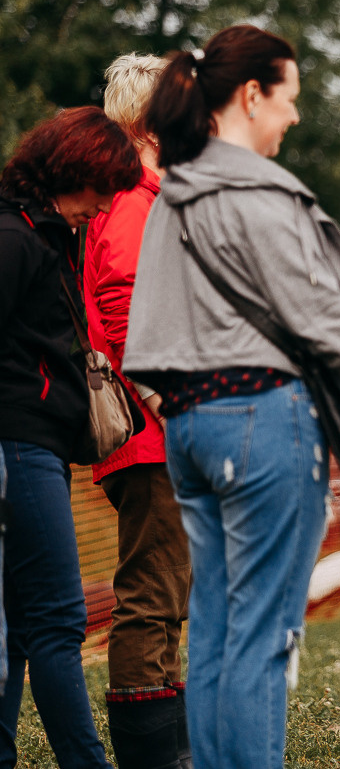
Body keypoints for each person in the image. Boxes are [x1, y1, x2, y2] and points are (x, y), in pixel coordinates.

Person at [122, 24, 340, 769]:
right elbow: (323, 318)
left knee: (216, 633)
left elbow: (141, 335)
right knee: (266, 636)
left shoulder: (171, 195)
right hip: (263, 419)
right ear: (252, 95)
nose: (295, 116)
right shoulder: (258, 192)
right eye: (290, 98)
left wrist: (175, 405)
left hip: (188, 429)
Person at [0, 106, 142, 768]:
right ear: (73, 169)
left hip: (38, 446)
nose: (106, 202)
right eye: (102, 185)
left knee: (16, 631)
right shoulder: (16, 237)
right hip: (19, 446)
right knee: (57, 619)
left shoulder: (50, 234)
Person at [84, 52, 193, 769]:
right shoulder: (132, 201)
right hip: (152, 431)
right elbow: (124, 304)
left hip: (160, 430)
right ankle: (154, 756)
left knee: (166, 589)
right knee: (152, 592)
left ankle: (169, 745)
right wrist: (177, 400)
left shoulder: (146, 196)